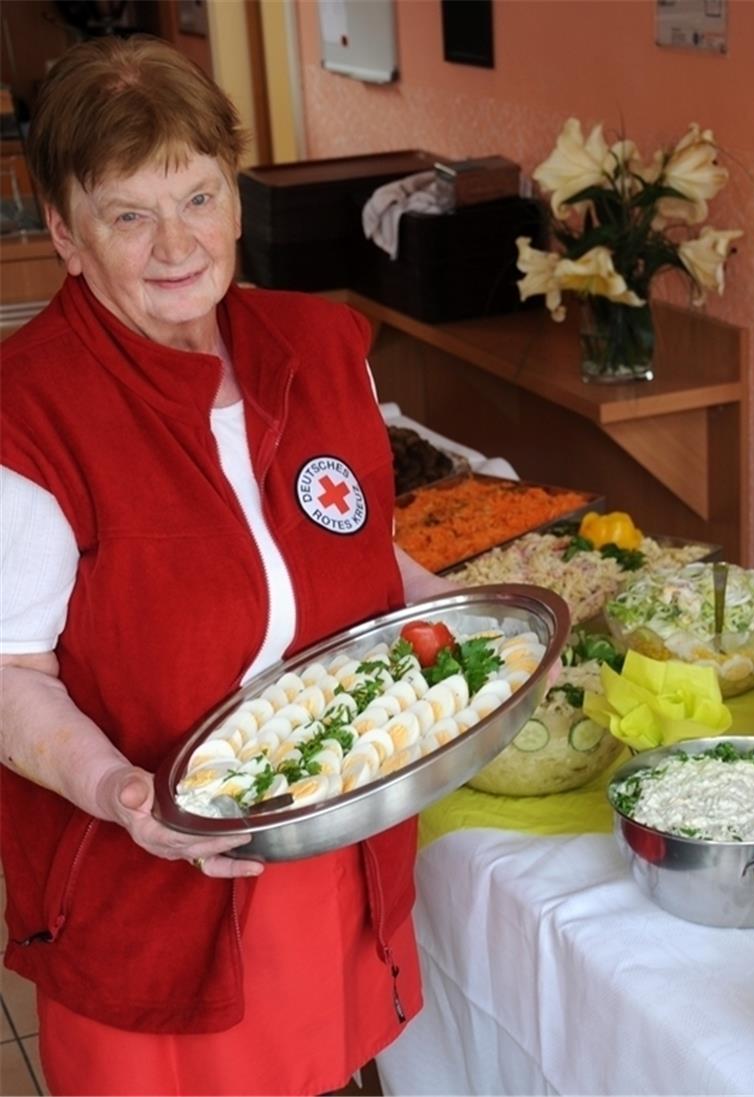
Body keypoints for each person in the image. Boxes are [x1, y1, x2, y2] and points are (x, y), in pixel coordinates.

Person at [0, 34, 451, 1097]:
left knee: (324, 1070)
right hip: (151, 883)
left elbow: (350, 544)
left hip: (329, 839)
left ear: (235, 200)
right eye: (128, 215)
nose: (177, 244)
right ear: (65, 233)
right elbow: (11, 671)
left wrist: (465, 620)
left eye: (198, 198)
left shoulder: (318, 345)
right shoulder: (31, 412)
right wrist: (119, 790)